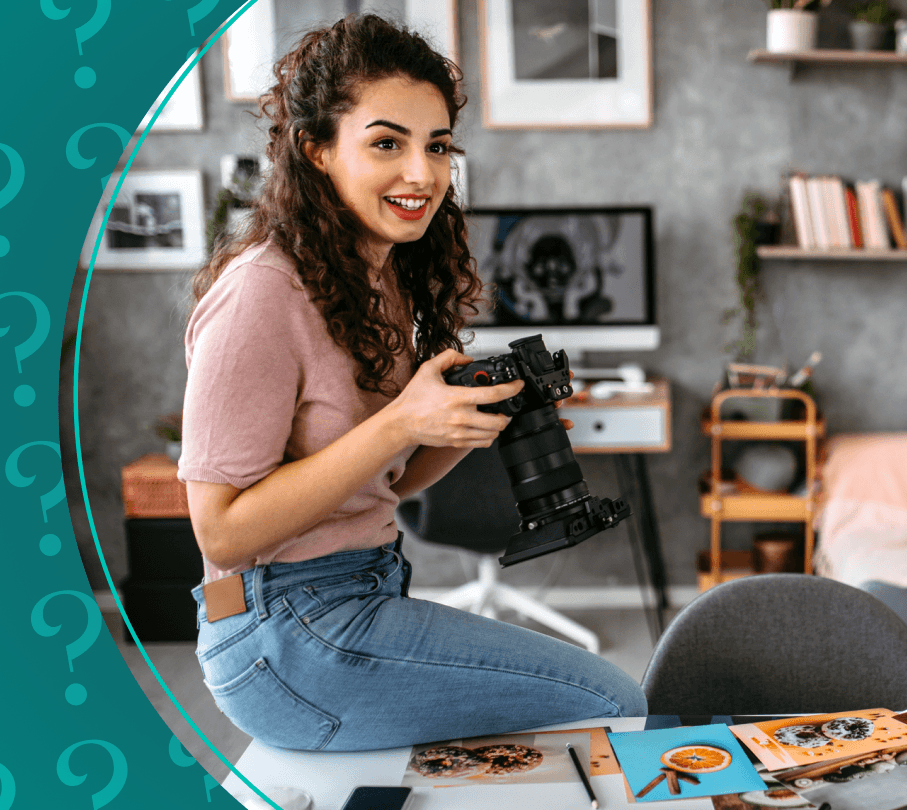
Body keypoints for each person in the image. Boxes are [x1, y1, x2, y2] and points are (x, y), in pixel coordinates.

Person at [177, 14, 647, 752]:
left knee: (594, 700)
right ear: (317, 150)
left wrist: (464, 418)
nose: (422, 174)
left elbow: (386, 482)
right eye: (386, 143)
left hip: (358, 593)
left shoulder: (376, 280)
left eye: (437, 147)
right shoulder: (261, 294)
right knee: (611, 696)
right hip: (281, 632)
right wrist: (399, 422)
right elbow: (222, 532)